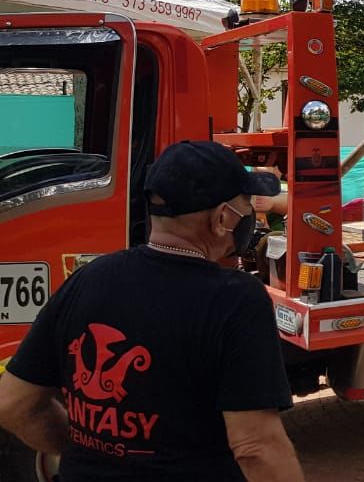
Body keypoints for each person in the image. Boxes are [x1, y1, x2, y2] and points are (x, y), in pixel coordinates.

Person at [0, 141, 305, 481]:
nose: (250, 215)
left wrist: (84, 452)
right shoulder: (236, 300)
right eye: (245, 204)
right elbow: (257, 447)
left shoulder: (87, 279)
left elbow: (13, 404)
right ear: (222, 218)